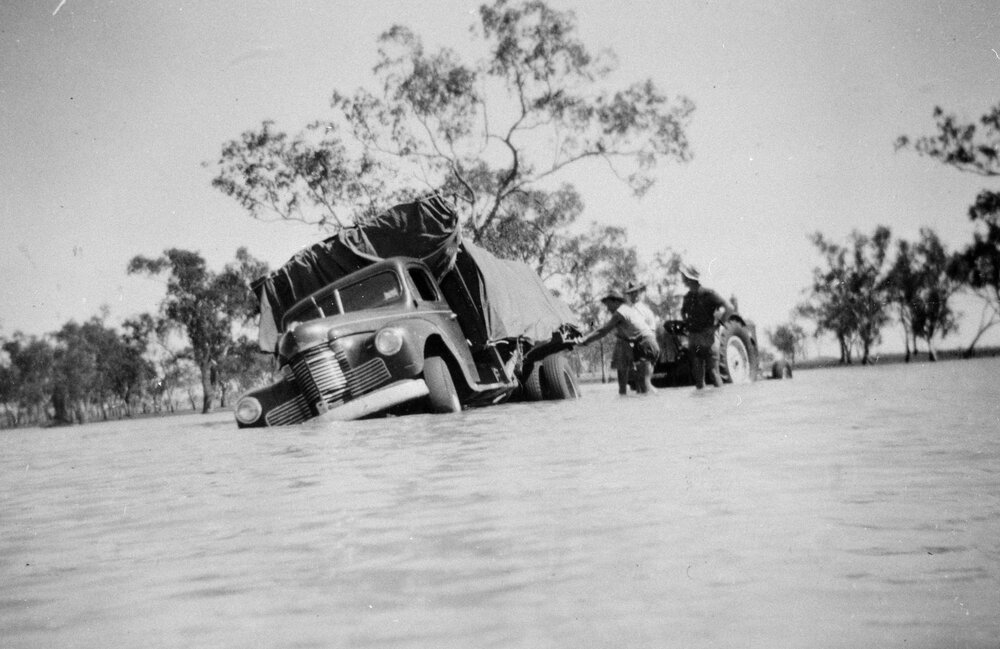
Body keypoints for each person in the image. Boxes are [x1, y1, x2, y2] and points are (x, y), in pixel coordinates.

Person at [578, 291, 660, 394]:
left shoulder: (620, 312)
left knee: (645, 385)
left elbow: (603, 331)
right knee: (641, 385)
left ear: (615, 301)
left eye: (608, 305)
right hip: (646, 344)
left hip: (645, 344)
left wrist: (585, 340)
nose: (608, 309)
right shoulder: (628, 310)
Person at [680, 265, 733, 390]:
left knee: (714, 375)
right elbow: (683, 313)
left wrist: (717, 325)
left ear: (689, 279)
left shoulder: (709, 294)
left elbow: (729, 308)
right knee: (699, 379)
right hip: (696, 340)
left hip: (707, 339)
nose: (682, 279)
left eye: (684, 276)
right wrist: (687, 323)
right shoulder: (687, 297)